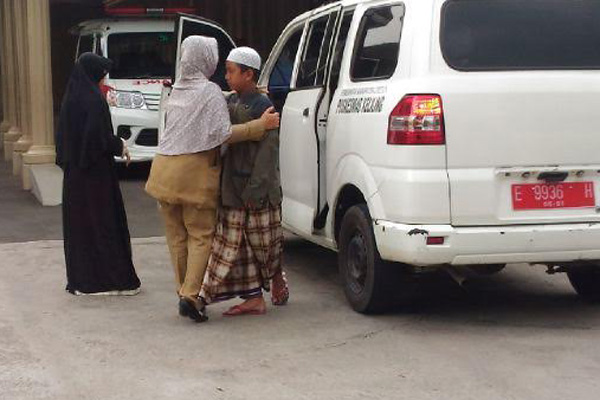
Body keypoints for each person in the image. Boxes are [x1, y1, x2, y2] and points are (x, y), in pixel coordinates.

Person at [145, 37, 280, 323]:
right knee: (200, 236)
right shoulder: (208, 92)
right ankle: (192, 297)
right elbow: (221, 133)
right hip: (191, 174)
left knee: (176, 239)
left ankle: (183, 291)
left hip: (161, 173)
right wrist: (259, 126)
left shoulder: (178, 90)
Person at [200, 47, 289, 317]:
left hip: (257, 191)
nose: (226, 76)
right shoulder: (230, 102)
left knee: (265, 246)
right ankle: (206, 297)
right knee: (230, 247)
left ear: (248, 74)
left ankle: (275, 276)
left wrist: (256, 189)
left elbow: (268, 153)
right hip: (231, 189)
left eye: (231, 71)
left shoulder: (265, 107)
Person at [56, 53, 141, 296]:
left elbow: (70, 140)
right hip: (95, 176)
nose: (104, 79)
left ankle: (82, 281)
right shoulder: (93, 99)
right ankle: (108, 280)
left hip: (75, 176)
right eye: (102, 75)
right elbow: (98, 138)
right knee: (103, 224)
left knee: (80, 229)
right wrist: (119, 145)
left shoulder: (72, 97)